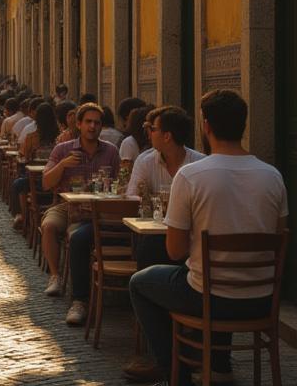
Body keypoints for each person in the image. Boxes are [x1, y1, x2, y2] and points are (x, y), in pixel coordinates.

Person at [129, 89, 288, 386]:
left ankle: (179, 378)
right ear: (243, 125)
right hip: (261, 302)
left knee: (141, 282)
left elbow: (174, 252)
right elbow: (278, 235)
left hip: (209, 299)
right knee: (216, 276)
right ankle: (218, 365)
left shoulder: (191, 176)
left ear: (206, 126)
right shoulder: (273, 176)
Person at [62, 105, 206, 330]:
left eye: (152, 128)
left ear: (167, 136)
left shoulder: (199, 164)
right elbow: (131, 195)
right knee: (145, 247)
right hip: (145, 231)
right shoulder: (146, 161)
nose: (148, 132)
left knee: (169, 253)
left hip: (187, 238)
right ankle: (150, 323)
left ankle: (172, 316)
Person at [39, 102, 120, 299]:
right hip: (67, 205)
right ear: (79, 124)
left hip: (100, 209)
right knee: (49, 225)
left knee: (81, 237)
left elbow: (121, 183)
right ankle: (55, 276)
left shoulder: (110, 151)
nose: (93, 127)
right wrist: (63, 165)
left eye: (97, 123)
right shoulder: (62, 149)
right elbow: (45, 182)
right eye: (88, 122)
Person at [9, 101, 60, 228]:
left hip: (37, 181)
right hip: (56, 180)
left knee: (17, 184)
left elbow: (24, 157)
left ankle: (20, 215)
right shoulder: (60, 137)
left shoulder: (31, 137)